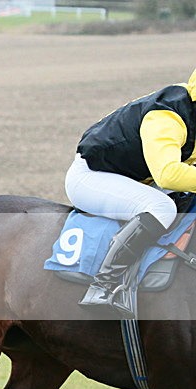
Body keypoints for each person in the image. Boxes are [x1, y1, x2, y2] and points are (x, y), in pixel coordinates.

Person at [65, 67, 196, 318]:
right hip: (92, 177)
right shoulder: (167, 117)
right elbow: (168, 174)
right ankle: (102, 285)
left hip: (137, 177)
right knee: (161, 208)